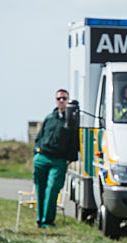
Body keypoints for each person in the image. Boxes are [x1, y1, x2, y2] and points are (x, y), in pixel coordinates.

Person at [32, 89, 79, 228]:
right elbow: (39, 136)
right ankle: (40, 220)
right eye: (59, 98)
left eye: (64, 98)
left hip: (58, 160)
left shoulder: (71, 121)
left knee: (52, 189)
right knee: (40, 189)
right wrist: (36, 151)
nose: (61, 101)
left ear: (68, 101)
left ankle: (47, 220)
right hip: (41, 157)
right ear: (56, 101)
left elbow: (74, 142)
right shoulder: (49, 118)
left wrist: (68, 159)